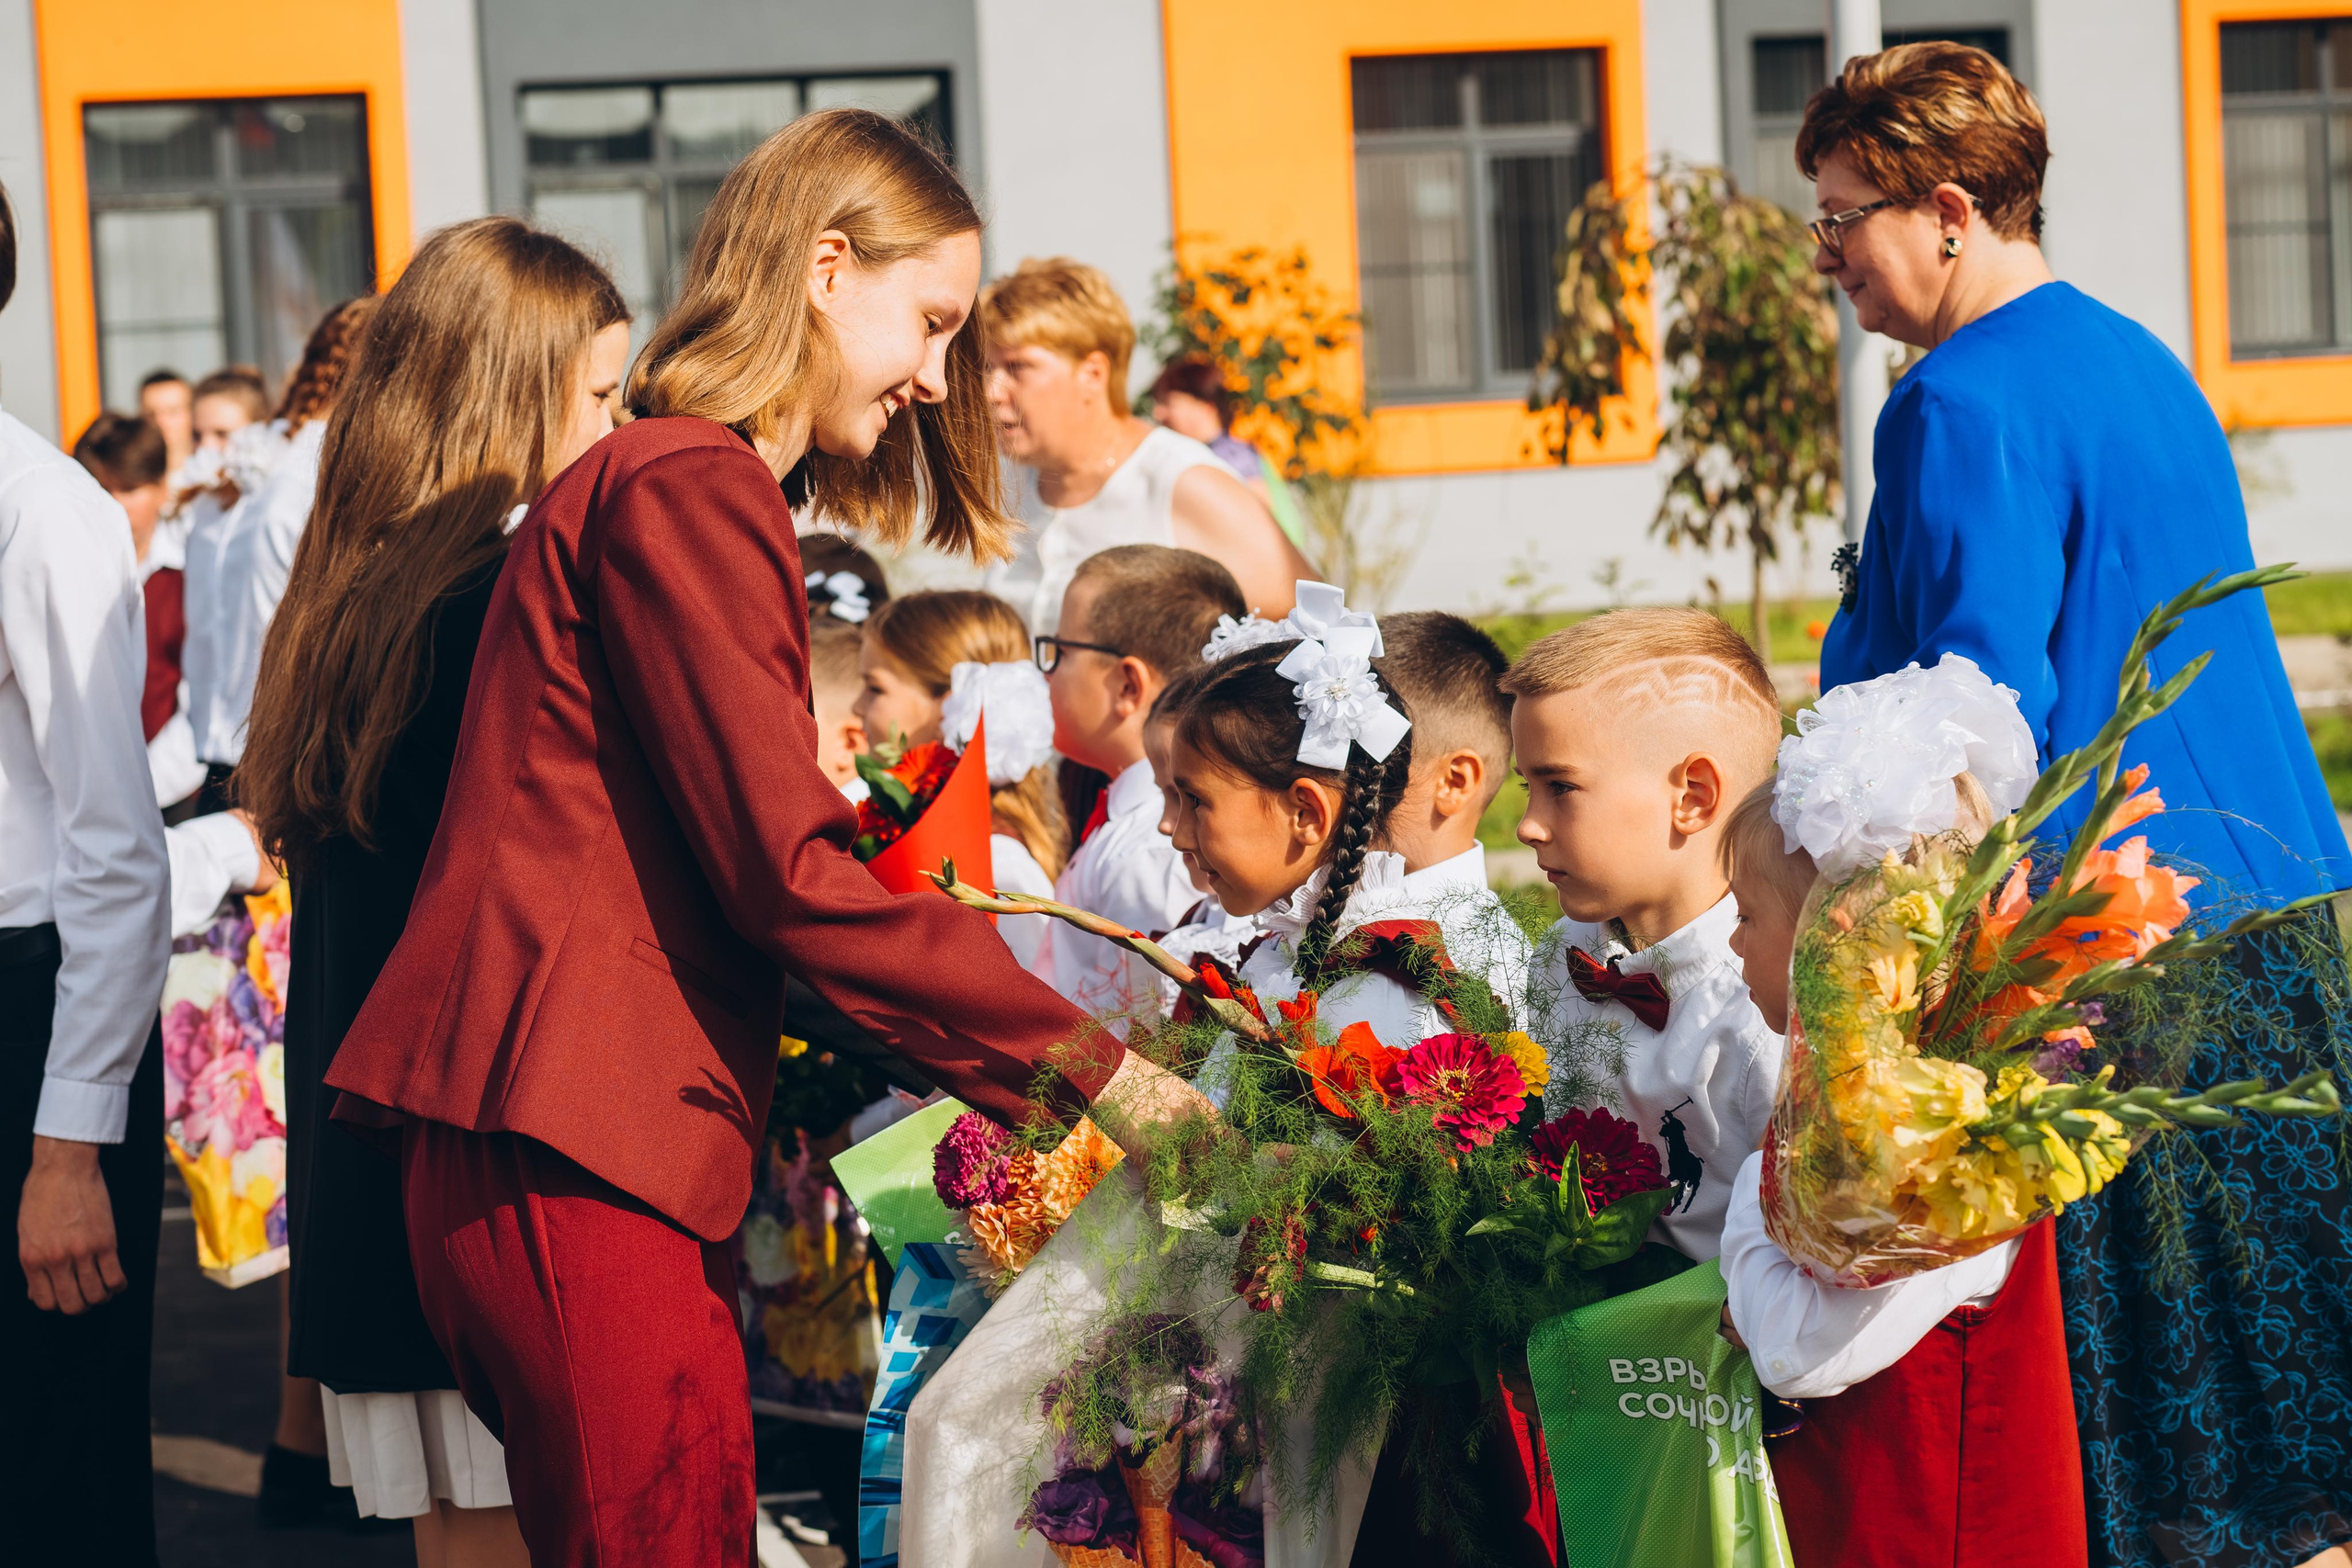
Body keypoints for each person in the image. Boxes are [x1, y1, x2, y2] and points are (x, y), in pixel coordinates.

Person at [319, 108, 1210, 1568]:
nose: (937, 380)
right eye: (927, 323)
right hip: (574, 1140)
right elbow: (786, 874)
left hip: (569, 1137)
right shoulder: (687, 480)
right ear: (823, 264)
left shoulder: (667, 478)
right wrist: (1102, 1076)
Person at [1799, 43, 2352, 1568]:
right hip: (2266, 913)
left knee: (2167, 1438)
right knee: (2283, 1402)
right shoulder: (2135, 355)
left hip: (2099, 941)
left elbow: (1980, 707)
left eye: (1845, 216)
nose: (1828, 253)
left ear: (1951, 209)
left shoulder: (1954, 400)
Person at [241, 217, 630, 1561]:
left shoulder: (358, 592)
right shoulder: (496, 603)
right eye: (599, 393)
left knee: (459, 1534)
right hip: (475, 1155)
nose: (619, 425)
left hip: (375, 1157)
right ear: (509, 391)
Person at [902, 600, 1442, 1568]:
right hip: (1203, 1378)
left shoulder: (1391, 993)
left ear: (1307, 813)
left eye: (1194, 801)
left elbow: (1365, 1217)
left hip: (1289, 1415)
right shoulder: (1264, 960)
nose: (1171, 829)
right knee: (959, 1424)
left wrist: (1247, 1175)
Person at [1713, 662, 2088, 1567]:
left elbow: (1800, 1351)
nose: (1730, 941)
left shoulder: (1933, 1141)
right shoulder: (1907, 1097)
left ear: (1833, 944)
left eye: (1748, 915)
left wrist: (1745, 1246)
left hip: (1937, 1533)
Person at [0, 176, 175, 1566]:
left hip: (30, 1018)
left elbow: (117, 854)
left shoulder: (43, 510)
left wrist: (70, 1147)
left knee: (56, 1474)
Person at [1508, 608, 1784, 1260]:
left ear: (1692, 795)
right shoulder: (1559, 954)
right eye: (1527, 787)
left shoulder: (1759, 1009)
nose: (1526, 824)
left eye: (1559, 787)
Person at [978, 257, 1312, 631]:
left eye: (1017, 368)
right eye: (987, 368)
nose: (991, 392)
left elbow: (1313, 630)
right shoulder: (1005, 483)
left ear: (1093, 374)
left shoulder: (1184, 483)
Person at [1034, 543, 1244, 1021]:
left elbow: (1159, 1020)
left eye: (1059, 652)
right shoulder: (1134, 822)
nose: (1046, 673)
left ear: (1127, 685)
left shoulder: (1155, 846)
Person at [853, 591, 1065, 968]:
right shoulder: (901, 827)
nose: (857, 706)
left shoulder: (1000, 866)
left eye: (875, 688)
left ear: (949, 705)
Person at [72, 412, 204, 815]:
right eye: (101, 490)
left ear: (162, 489)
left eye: (128, 490)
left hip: (172, 799)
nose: (113, 505)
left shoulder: (191, 575)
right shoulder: (68, 575)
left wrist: (134, 788)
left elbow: (200, 705)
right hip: (79, 797)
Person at [1145, 353, 1310, 552]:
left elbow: (1261, 523)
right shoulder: (1217, 452)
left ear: (1206, 407)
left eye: (1169, 403)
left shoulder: (1230, 456)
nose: (1158, 413)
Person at [140, 368, 195, 475]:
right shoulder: (129, 479)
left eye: (172, 411)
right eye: (151, 414)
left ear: (192, 413)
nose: (161, 422)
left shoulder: (217, 476)